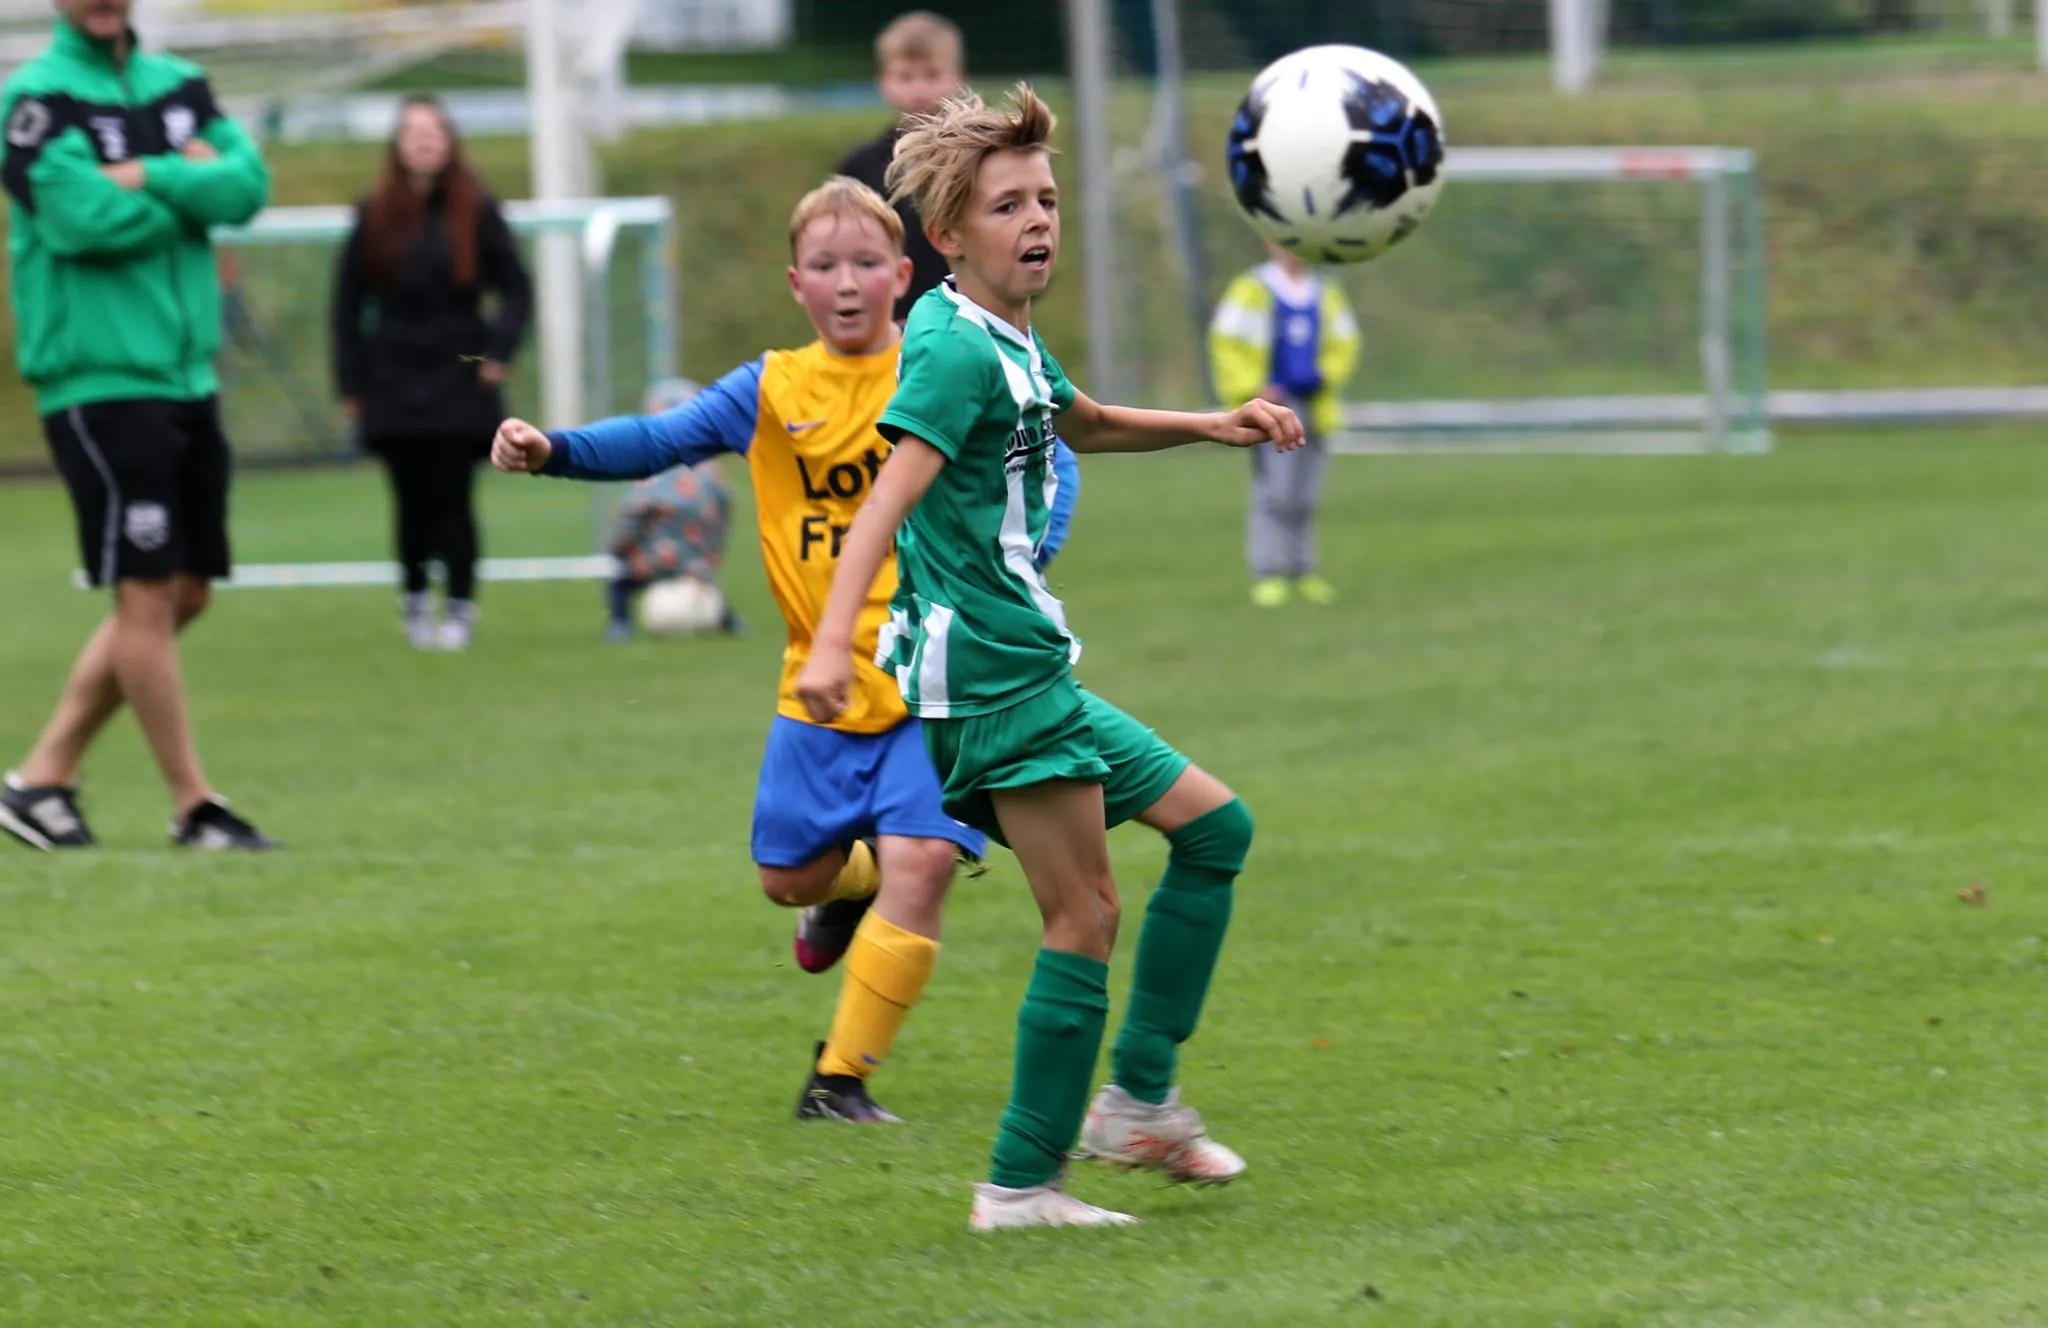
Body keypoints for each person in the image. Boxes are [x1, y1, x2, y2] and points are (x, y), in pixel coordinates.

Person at [793, 86, 1304, 1232]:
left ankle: (1136, 1103)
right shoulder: (947, 348)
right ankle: (1020, 1184)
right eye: (1007, 205)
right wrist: (830, 643)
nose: (1036, 221)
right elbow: (885, 502)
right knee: (1084, 913)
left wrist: (1213, 424)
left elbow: (1080, 420)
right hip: (989, 678)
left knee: (1215, 829)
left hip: (1029, 666)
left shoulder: (1002, 331)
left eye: (1046, 199)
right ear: (946, 235)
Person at [492, 177, 1080, 1123]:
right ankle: (846, 888)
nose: (846, 283)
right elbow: (661, 439)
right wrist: (551, 450)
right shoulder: (770, 388)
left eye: (865, 264)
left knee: (926, 861)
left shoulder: (944, 362)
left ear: (902, 275)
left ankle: (839, 1081)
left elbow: (1057, 456)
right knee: (787, 879)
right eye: (824, 266)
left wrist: (1026, 555)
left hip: (938, 670)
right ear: (796, 284)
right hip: (822, 677)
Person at [0, 0, 276, 852]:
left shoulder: (180, 85)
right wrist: (191, 189)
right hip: (101, 379)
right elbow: (78, 220)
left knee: (185, 590)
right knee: (146, 593)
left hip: (188, 374)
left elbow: (247, 188)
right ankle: (195, 807)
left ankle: (41, 779)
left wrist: (146, 175)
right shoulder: (34, 101)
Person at [331, 94, 532, 652]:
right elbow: (346, 302)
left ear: (449, 141)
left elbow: (517, 287)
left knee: (454, 497)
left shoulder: (477, 208)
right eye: (413, 131)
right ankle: (415, 600)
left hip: (459, 375)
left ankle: (460, 608)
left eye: (433, 131)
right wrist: (350, 381)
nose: (423, 141)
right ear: (397, 144)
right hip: (392, 376)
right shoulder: (374, 210)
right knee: (409, 499)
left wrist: (497, 352)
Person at [1209, 237, 1359, 608]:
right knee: (1276, 491)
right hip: (1271, 407)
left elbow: (1345, 343)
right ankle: (1269, 571)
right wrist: (1250, 388)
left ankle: (1303, 570)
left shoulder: (1325, 291)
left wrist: (1326, 375)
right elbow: (1225, 343)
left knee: (1306, 494)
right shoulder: (1252, 289)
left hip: (1314, 405)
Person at [836, 10, 964, 320]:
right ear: (882, 81)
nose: (919, 89)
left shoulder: (974, 162)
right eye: (905, 76)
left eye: (932, 75)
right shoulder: (859, 168)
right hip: (885, 324)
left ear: (957, 78)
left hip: (965, 320)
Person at [601, 378, 742, 642]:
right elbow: (726, 509)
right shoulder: (712, 472)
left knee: (621, 578)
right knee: (704, 581)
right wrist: (712, 553)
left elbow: (633, 517)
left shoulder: (651, 472)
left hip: (659, 559)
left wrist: (618, 548)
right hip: (700, 561)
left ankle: (620, 624)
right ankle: (728, 619)